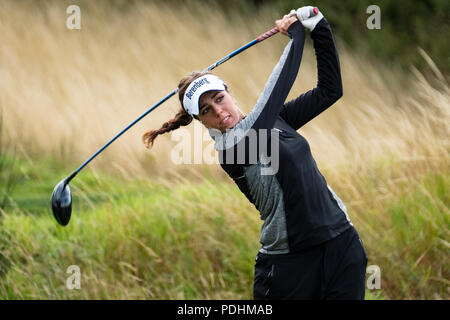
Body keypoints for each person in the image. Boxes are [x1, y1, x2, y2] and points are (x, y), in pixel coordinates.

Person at [142, 6, 368, 300]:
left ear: (229, 92)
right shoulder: (231, 149)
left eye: (220, 99)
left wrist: (320, 28)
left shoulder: (277, 119)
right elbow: (274, 92)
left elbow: (329, 90)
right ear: (199, 121)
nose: (219, 112)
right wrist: (296, 37)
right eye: (207, 110)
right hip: (290, 265)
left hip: (341, 243)